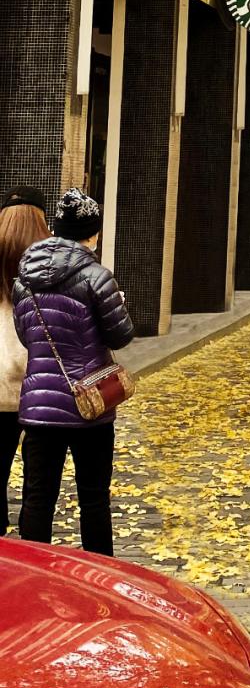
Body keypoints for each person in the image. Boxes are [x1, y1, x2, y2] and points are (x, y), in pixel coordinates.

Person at [14, 188, 134, 557]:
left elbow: (26, 335)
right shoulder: (97, 278)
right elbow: (121, 335)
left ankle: (35, 573)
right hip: (91, 406)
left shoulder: (25, 279)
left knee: (38, 499)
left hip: (39, 407)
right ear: (92, 233)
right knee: (94, 499)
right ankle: (100, 574)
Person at [0, 193, 49, 533]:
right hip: (41, 380)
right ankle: (34, 545)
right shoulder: (50, 258)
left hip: (0, 378)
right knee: (39, 485)